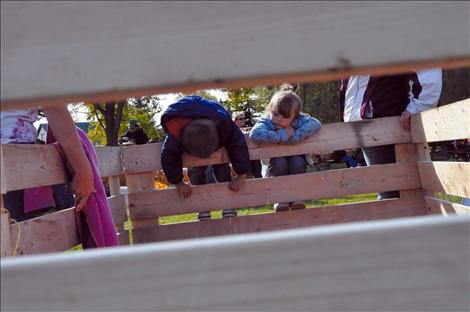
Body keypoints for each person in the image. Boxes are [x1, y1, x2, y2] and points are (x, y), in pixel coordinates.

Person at [339, 68, 442, 199]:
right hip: (366, 128)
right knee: (388, 191)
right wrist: (347, 123)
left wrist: (417, 107)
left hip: (389, 126)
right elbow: (350, 88)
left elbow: (428, 68)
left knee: (394, 194)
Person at [160, 95, 250, 220]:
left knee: (221, 164)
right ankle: (202, 206)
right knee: (195, 167)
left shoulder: (225, 125)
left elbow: (238, 145)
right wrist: (178, 182)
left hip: (216, 128)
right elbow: (168, 157)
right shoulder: (175, 133)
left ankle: (228, 203)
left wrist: (242, 174)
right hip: (192, 131)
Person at [1, 106, 94, 221]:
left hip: (14, 157)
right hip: (15, 156)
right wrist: (83, 171)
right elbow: (55, 107)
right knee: (20, 233)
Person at [249, 84, 322, 211]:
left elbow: (315, 123)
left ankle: (296, 197)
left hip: (296, 157)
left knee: (297, 162)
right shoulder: (266, 121)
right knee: (280, 163)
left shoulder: (299, 120)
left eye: (285, 116)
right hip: (275, 161)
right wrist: (281, 135)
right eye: (276, 114)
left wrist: (296, 136)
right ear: (270, 109)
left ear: (295, 116)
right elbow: (255, 134)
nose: (279, 119)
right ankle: (279, 199)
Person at [232, 111, 262, 179]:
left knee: (256, 159)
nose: (243, 120)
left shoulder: (247, 130)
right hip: (238, 157)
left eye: (244, 118)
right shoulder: (232, 131)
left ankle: (259, 179)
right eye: (241, 119)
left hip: (249, 156)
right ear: (235, 120)